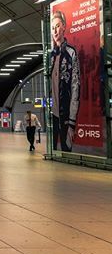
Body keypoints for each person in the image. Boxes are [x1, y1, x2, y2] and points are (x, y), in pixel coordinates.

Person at [50, 10, 80, 152]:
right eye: (52, 28)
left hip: (66, 115)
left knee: (66, 149)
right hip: (54, 114)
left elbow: (75, 86)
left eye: (57, 26)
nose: (55, 31)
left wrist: (72, 122)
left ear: (64, 27)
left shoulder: (71, 53)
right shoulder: (52, 55)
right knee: (55, 151)